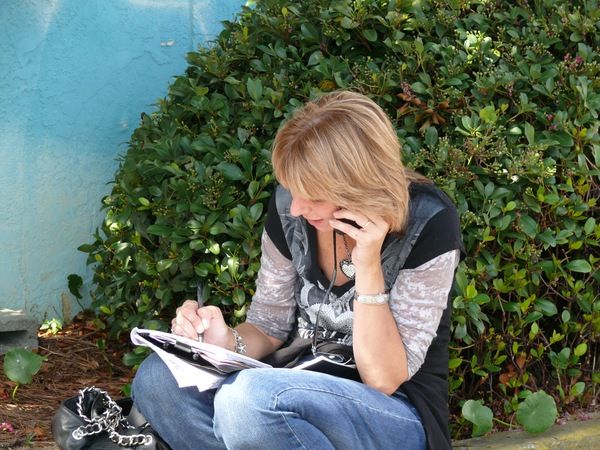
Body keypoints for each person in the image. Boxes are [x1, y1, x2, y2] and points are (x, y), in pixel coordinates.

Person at [132, 90, 464, 450]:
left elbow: (384, 379)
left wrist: (369, 264)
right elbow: (268, 325)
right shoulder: (291, 209)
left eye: (314, 196)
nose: (296, 209)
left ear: (359, 185)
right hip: (289, 391)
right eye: (293, 190)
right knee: (157, 380)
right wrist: (225, 340)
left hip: (392, 414)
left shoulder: (428, 222)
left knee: (248, 401)